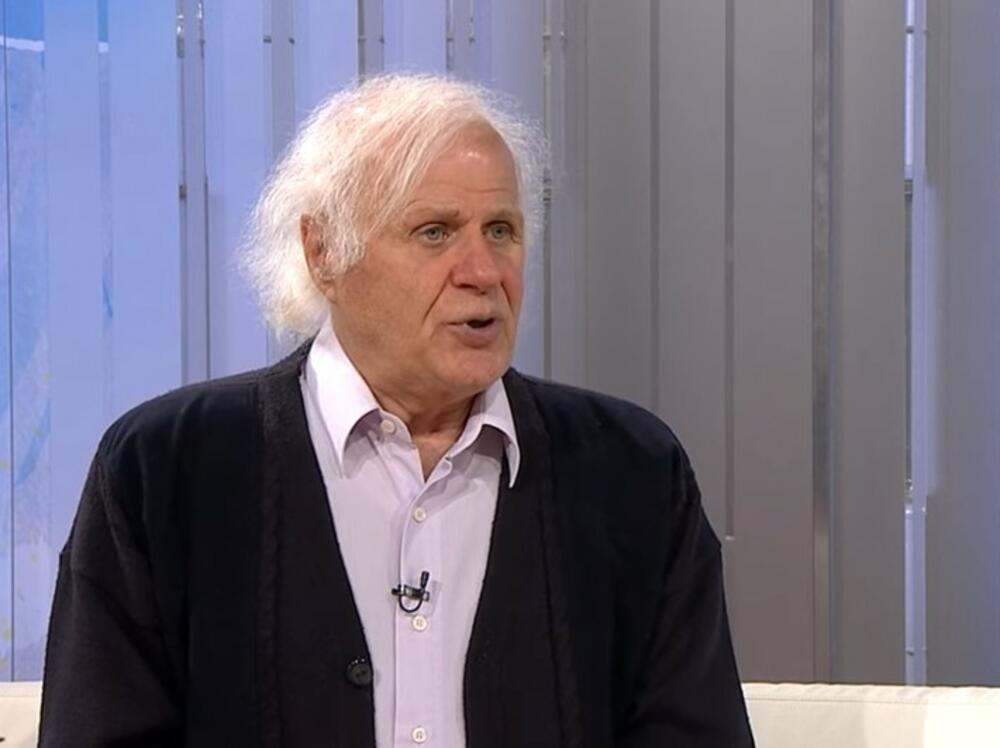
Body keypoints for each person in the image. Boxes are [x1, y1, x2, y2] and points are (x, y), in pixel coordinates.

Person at [39, 74, 754, 747]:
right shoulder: (164, 472)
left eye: (500, 230)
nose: (483, 272)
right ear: (324, 253)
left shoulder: (633, 472)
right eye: (435, 231)